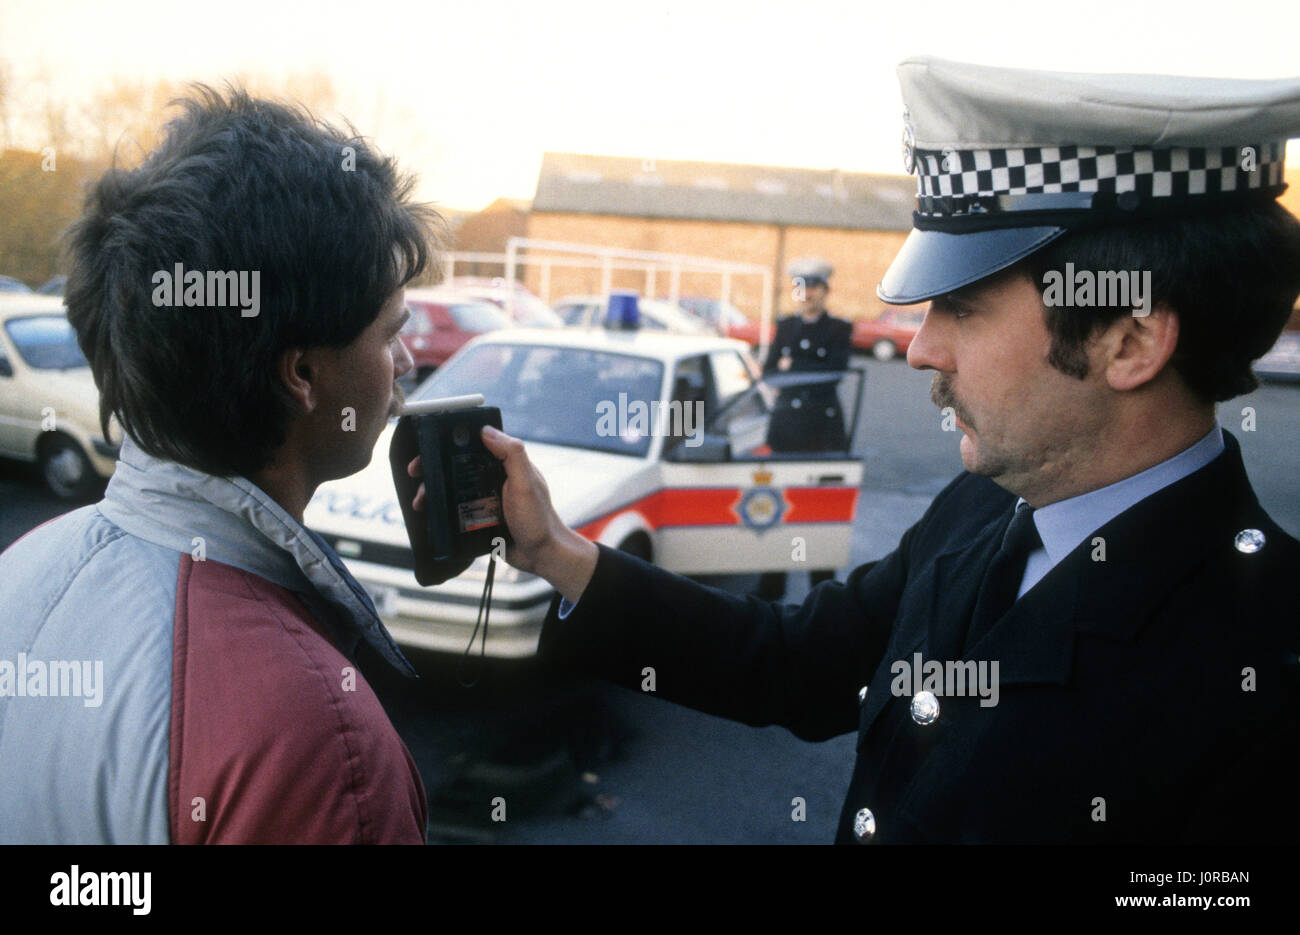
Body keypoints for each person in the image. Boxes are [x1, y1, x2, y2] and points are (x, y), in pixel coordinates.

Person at [457, 57, 1300, 843]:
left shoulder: (1267, 670)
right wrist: (557, 552)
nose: (917, 348)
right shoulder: (986, 507)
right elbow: (798, 661)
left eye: (962, 308)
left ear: (1128, 341)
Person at [0, 87, 440, 843]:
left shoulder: (25, 566)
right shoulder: (319, 741)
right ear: (302, 375)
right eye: (389, 331)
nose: (403, 360)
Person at [758, 258, 854, 597]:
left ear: (825, 291)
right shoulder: (785, 326)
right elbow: (770, 369)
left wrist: (792, 365)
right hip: (786, 428)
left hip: (821, 430)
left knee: (819, 507)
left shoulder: (839, 328)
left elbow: (836, 370)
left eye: (814, 287)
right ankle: (772, 584)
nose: (808, 294)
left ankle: (823, 587)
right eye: (802, 287)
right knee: (778, 502)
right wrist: (795, 366)